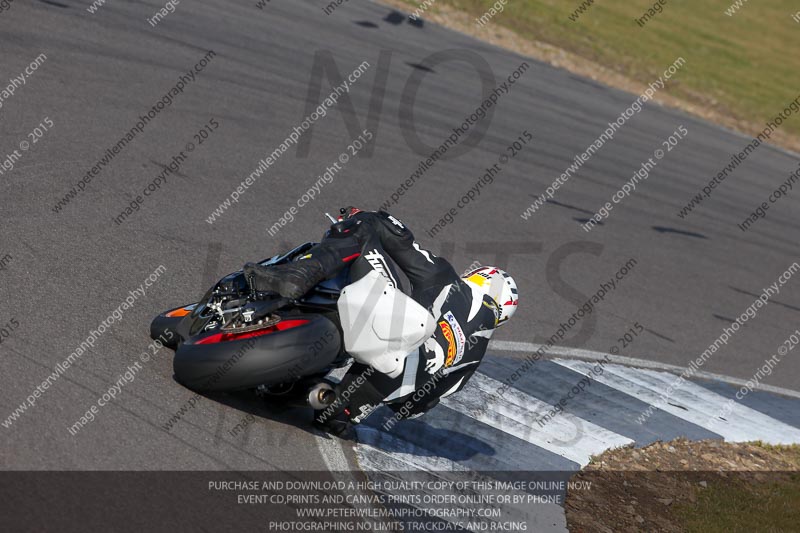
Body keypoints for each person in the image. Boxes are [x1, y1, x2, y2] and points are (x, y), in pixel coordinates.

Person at [244, 207, 518, 436]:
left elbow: (402, 240)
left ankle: (301, 274)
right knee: (332, 416)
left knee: (364, 229)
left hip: (383, 328)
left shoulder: (451, 281)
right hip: (380, 382)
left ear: (481, 278)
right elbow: (410, 409)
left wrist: (361, 215)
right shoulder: (472, 358)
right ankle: (307, 387)